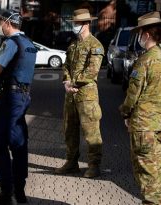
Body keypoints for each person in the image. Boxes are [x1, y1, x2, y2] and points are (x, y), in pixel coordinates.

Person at [119, 11, 161, 205]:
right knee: (157, 169)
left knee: (145, 172)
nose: (139, 37)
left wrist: (125, 112)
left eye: (140, 33)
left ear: (147, 34)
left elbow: (132, 95)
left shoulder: (144, 61)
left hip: (144, 126)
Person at [0, 10, 37, 205]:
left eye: (0, 22)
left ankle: (8, 192)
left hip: (8, 98)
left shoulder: (10, 43)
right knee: (17, 142)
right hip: (22, 96)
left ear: (7, 23)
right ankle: (19, 192)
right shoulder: (29, 44)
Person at [55, 9, 104, 178]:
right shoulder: (73, 45)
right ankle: (71, 162)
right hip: (71, 95)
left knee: (91, 132)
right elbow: (66, 65)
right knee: (70, 130)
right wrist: (67, 82)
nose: (74, 26)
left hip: (87, 95)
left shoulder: (95, 45)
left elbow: (93, 70)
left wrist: (74, 83)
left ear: (86, 24)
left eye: (77, 23)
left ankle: (94, 165)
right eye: (74, 23)